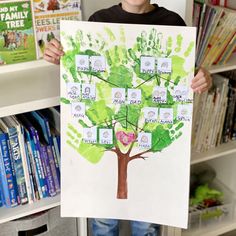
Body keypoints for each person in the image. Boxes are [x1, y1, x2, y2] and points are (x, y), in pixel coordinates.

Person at [44, 1, 212, 235]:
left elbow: (187, 75)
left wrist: (204, 76)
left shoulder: (173, 23)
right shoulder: (98, 21)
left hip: (150, 147)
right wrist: (59, 58)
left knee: (147, 224)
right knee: (104, 223)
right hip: (106, 147)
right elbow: (84, 74)